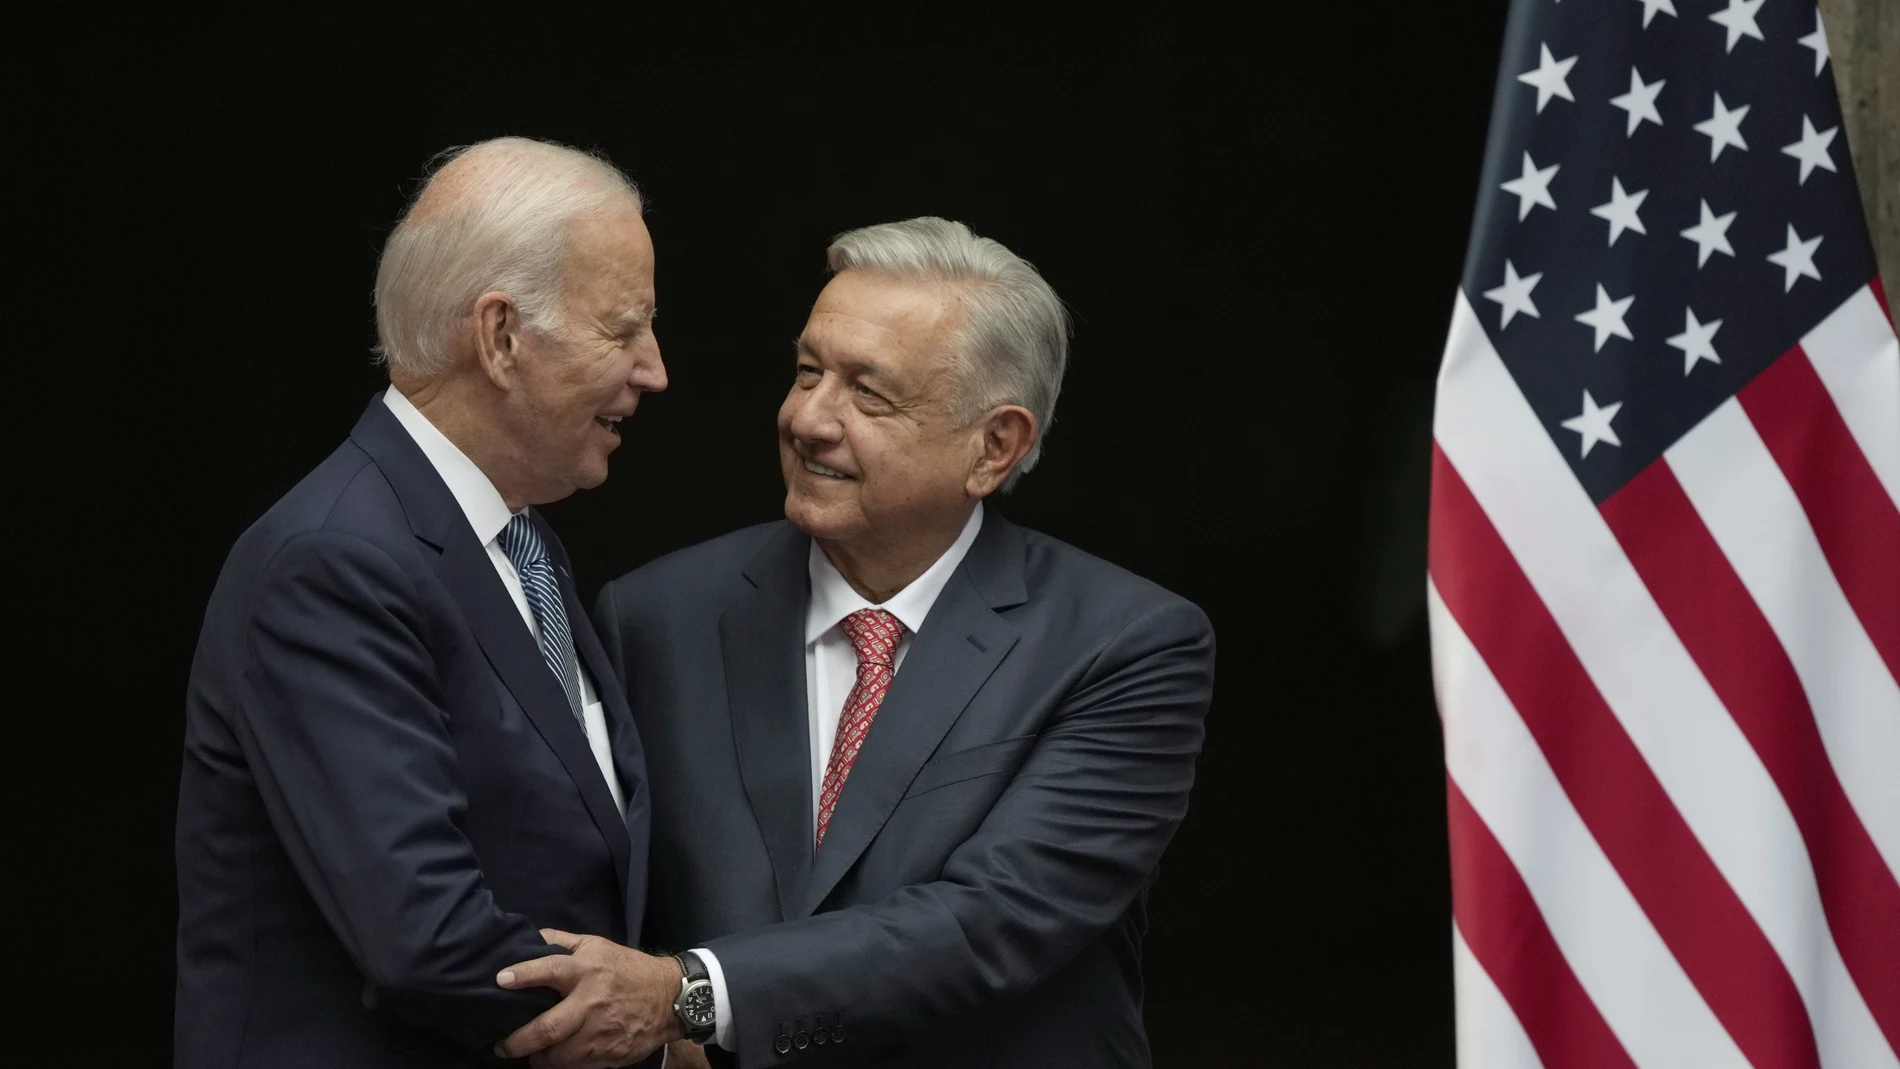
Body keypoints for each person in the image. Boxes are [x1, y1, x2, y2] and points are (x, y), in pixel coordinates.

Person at [497, 217, 1216, 1068]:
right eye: (807, 371)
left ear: (996, 446)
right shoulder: (656, 616)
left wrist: (687, 996)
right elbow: (596, 897)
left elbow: (992, 920)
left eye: (867, 393)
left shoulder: (1124, 643)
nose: (807, 418)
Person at [175, 136, 667, 1068]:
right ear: (500, 337)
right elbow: (427, 935)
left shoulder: (518, 540)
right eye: (624, 328)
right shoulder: (332, 560)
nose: (654, 369)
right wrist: (657, 1013)